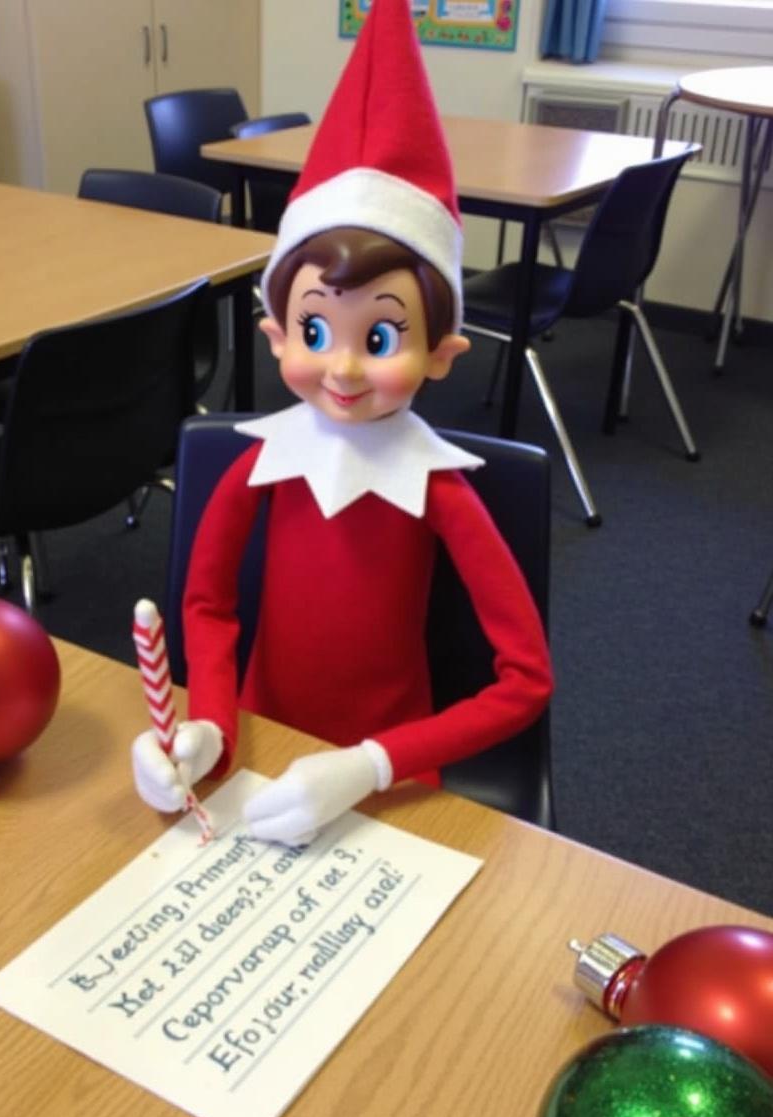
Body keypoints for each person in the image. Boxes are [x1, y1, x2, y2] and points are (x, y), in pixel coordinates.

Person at [133, 0, 553, 843]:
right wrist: (208, 725)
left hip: (391, 780)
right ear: (275, 334)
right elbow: (206, 608)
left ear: (444, 352)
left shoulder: (436, 489)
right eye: (316, 331)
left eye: (384, 334)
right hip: (254, 750)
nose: (345, 368)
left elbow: (526, 681)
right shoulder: (263, 466)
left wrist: (374, 762)